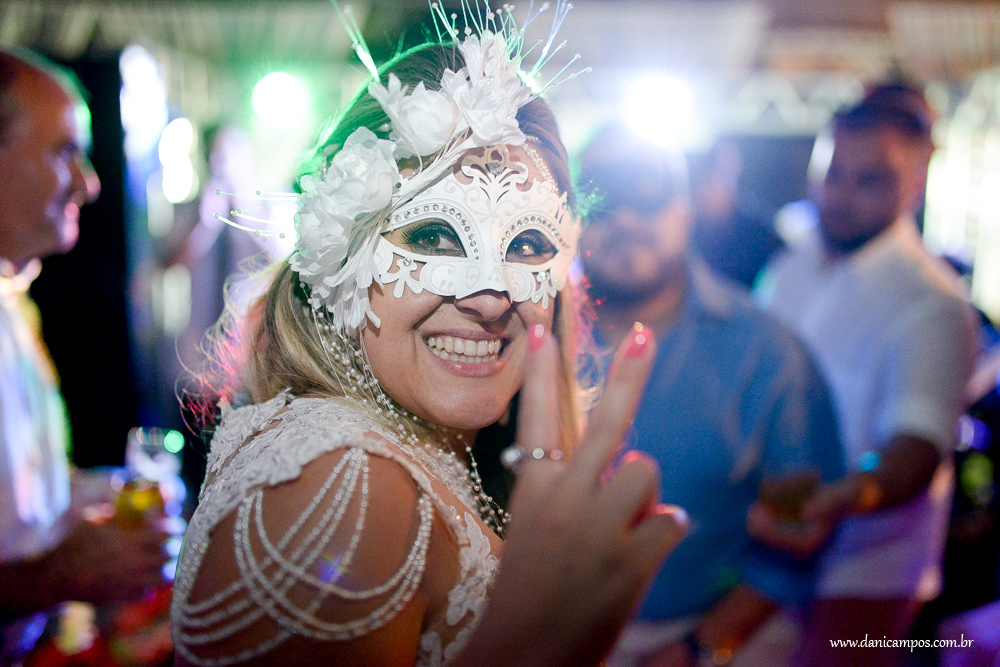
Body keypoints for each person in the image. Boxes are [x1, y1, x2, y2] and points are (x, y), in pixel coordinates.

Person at [170, 6, 688, 667]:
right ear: (342, 258)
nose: (489, 294)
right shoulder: (342, 480)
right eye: (434, 235)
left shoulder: (421, 455)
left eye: (527, 244)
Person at [576, 124, 844, 667]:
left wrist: (700, 648)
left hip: (704, 638)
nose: (625, 219)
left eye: (646, 193)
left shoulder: (766, 353)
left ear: (686, 209)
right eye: (602, 196)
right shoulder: (514, 335)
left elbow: (798, 536)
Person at [755, 83, 978, 667]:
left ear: (915, 184)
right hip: (763, 550)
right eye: (832, 174)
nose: (843, 195)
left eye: (870, 179)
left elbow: (916, 446)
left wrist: (851, 493)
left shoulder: (931, 302)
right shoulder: (788, 269)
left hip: (863, 577)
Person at [0, 49, 170, 663]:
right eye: (63, 152)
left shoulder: (15, 302)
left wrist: (96, 497)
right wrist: (58, 577)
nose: (90, 183)